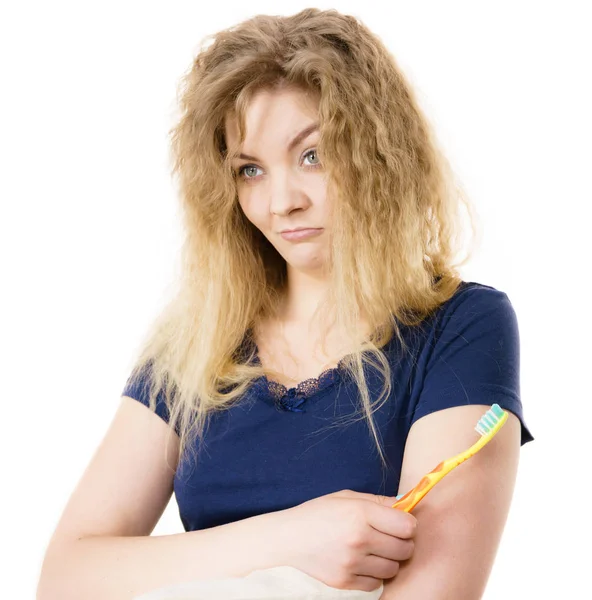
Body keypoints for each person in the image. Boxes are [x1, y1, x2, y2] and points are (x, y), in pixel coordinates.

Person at [37, 7, 533, 600]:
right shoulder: (194, 346)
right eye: (249, 169)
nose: (281, 202)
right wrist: (293, 536)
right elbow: (66, 579)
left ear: (381, 155)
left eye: (312, 156)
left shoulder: (461, 327)